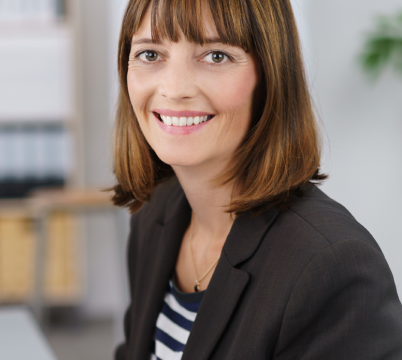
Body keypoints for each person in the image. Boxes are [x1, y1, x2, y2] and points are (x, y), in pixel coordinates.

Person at [112, 0, 402, 359]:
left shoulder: (332, 266)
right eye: (151, 55)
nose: (174, 89)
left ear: (270, 75)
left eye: (216, 55)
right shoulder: (155, 215)